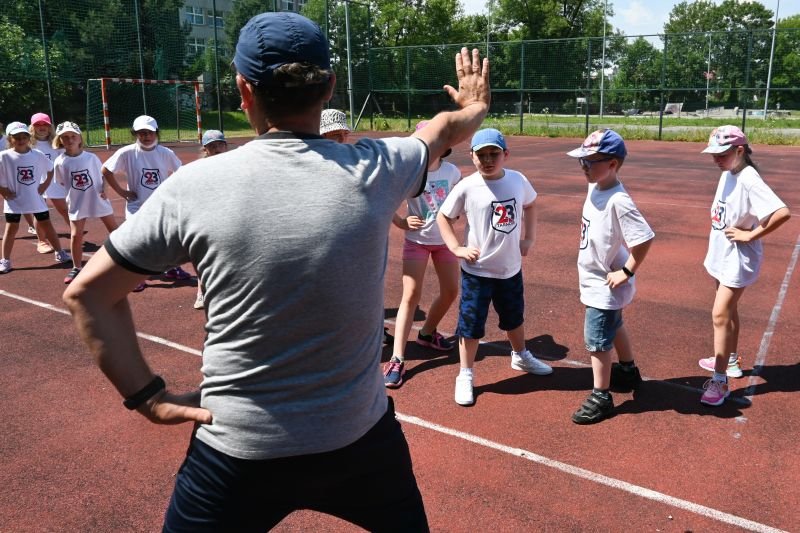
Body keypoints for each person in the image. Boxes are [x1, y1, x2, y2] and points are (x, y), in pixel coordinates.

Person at [63, 11, 489, 531]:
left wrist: (148, 398)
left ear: (244, 91)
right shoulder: (377, 169)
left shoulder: (194, 187)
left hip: (235, 450)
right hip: (360, 440)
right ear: (329, 87)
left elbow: (88, 294)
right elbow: (443, 127)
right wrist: (475, 105)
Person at [437, 128, 552, 407]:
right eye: (482, 155)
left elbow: (532, 204)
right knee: (471, 324)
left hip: (510, 269)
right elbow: (443, 216)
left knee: (514, 317)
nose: (488, 160)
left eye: (494, 154)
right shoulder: (467, 186)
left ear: (506, 155)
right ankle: (465, 373)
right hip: (477, 272)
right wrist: (456, 248)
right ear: (472, 156)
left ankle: (520, 355)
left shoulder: (517, 180)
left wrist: (529, 237)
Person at [565, 129, 655, 424]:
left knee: (597, 341)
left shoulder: (619, 200)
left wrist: (627, 271)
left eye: (591, 162)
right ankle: (628, 371)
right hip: (594, 277)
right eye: (582, 162)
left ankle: (601, 395)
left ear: (613, 163)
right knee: (615, 325)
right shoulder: (596, 186)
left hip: (603, 283)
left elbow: (643, 238)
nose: (584, 167)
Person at [697, 125, 790, 406]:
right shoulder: (729, 172)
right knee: (729, 312)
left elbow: (782, 212)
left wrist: (750, 234)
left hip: (737, 259)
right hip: (722, 254)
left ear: (739, 151)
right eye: (713, 154)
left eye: (721, 154)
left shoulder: (748, 178)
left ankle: (720, 379)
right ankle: (732, 361)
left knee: (720, 315)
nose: (716, 159)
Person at [384, 120, 460, 389]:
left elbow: (457, 201)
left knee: (451, 291)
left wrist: (456, 213)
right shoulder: (410, 174)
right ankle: (397, 358)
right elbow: (386, 200)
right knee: (411, 296)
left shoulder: (452, 171)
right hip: (416, 241)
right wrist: (401, 222)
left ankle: (426, 333)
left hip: (444, 242)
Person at [318, 108, 394, 345]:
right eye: (334, 135)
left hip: (358, 242)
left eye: (343, 134)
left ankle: (374, 331)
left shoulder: (358, 162)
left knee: (366, 289)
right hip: (327, 242)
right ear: (321, 136)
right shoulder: (314, 164)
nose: (341, 140)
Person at [101, 114, 186, 291]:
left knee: (167, 238)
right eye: (141, 133)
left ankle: (172, 269)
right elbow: (106, 170)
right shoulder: (127, 153)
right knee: (137, 241)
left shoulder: (165, 153)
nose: (146, 136)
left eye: (149, 132)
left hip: (160, 205)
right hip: (137, 205)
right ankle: (136, 277)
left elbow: (181, 173)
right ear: (135, 134)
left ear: (156, 133)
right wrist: (122, 192)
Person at [51, 121, 119, 284]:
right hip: (76, 202)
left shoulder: (91, 158)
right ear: (60, 140)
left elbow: (102, 176)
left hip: (98, 199)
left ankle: (125, 261)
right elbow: (61, 182)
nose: (69, 140)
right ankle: (76, 267)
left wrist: (105, 189)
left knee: (115, 231)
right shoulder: (60, 162)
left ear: (80, 138)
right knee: (76, 235)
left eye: (73, 136)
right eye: (65, 137)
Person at [0, 121, 70, 274]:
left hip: (35, 199)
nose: (21, 139)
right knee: (11, 229)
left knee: (47, 225)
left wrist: (44, 185)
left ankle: (60, 253)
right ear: (10, 139)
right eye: (16, 137)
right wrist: (3, 190)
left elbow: (50, 169)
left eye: (24, 136)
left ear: (28, 137)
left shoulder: (37, 155)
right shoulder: (4, 156)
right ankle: (5, 260)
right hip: (14, 201)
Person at [193, 129, 229, 309]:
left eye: (219, 145)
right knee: (204, 256)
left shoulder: (234, 166)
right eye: (212, 146)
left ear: (225, 146)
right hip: (207, 217)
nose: (216, 149)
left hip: (228, 217)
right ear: (205, 149)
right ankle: (201, 293)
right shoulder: (199, 170)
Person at [27, 113, 70, 254]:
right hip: (36, 183)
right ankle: (42, 241)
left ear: (50, 126)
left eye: (44, 124)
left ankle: (76, 232)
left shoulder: (56, 143)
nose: (42, 127)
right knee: (40, 213)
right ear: (32, 128)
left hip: (55, 181)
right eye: (38, 125)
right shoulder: (28, 143)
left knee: (64, 209)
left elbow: (64, 160)